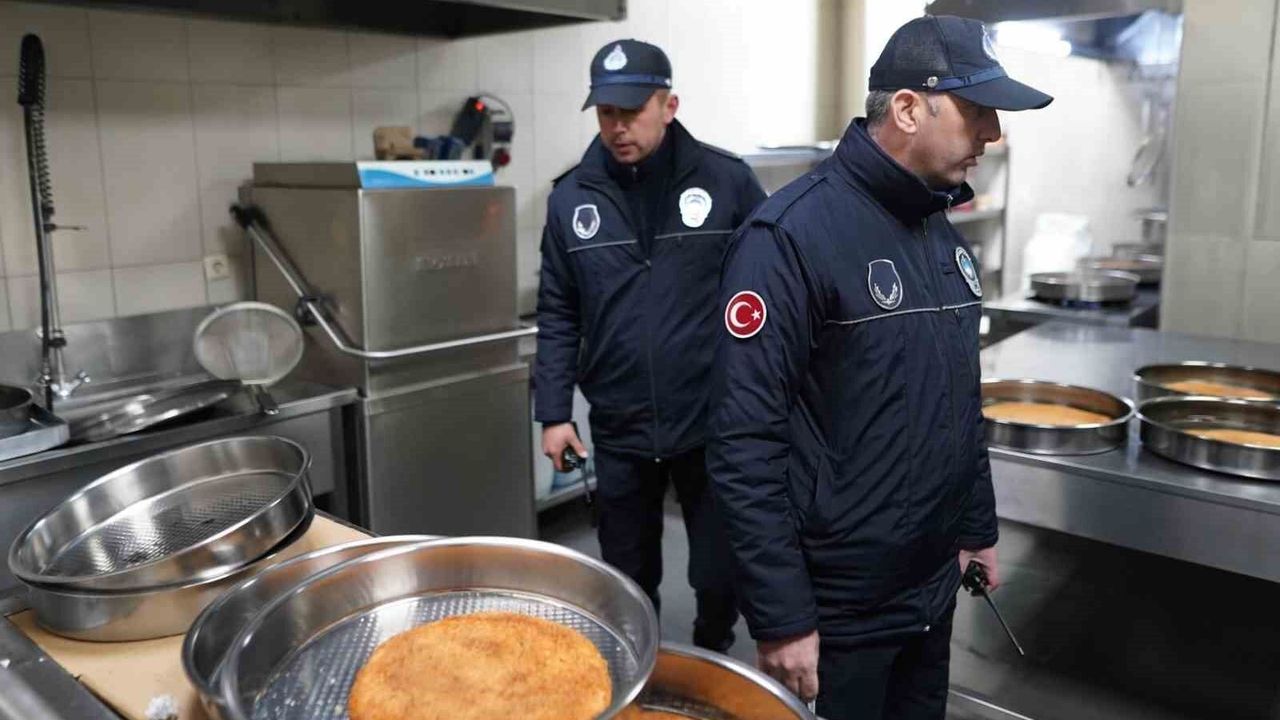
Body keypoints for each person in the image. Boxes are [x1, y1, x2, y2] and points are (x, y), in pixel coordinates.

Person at [706, 15, 1052, 719]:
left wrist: (975, 527)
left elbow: (959, 402)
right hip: (840, 608)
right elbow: (744, 443)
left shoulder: (938, 231)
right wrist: (781, 615)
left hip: (930, 588)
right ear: (907, 109)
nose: (992, 133)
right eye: (978, 111)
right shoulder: (788, 238)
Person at [534, 39, 768, 651]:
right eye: (606, 112)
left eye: (632, 111)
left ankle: (713, 648)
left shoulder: (727, 181)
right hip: (620, 423)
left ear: (669, 105)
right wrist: (554, 413)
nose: (618, 127)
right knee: (626, 572)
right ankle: (637, 664)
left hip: (713, 418)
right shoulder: (571, 198)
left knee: (719, 569)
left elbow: (772, 290)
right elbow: (558, 310)